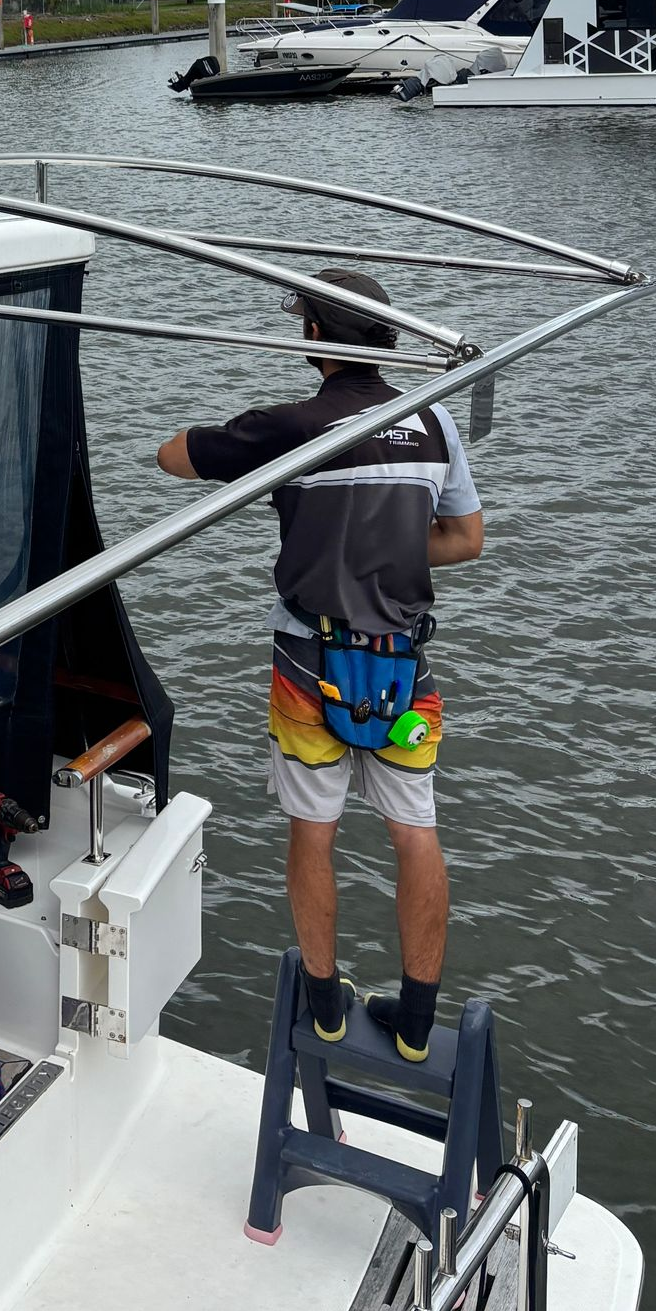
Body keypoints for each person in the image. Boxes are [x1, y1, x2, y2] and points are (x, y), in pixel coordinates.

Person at [154, 269, 484, 1061]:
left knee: (314, 831)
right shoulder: (432, 420)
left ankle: (327, 1005)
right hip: (402, 666)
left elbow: (171, 458)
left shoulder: (292, 426)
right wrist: (391, 545)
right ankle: (415, 1022)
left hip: (311, 661)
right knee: (416, 834)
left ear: (311, 337)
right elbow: (466, 538)